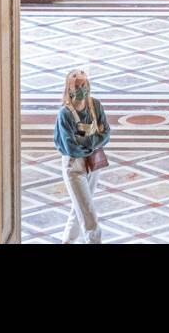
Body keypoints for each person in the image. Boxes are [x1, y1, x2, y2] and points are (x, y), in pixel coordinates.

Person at [54, 69, 111, 243]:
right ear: (69, 89)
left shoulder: (95, 106)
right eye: (77, 86)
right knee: (88, 212)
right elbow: (71, 147)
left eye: (84, 85)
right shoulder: (65, 114)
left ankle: (67, 241)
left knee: (79, 208)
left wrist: (86, 142)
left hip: (93, 165)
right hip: (74, 166)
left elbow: (106, 133)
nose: (81, 89)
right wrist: (93, 142)